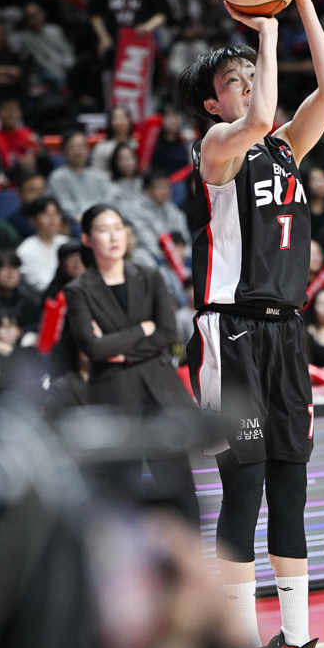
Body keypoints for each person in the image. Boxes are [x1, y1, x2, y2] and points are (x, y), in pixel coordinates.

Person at [178, 0, 324, 648]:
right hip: (232, 335)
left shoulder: (284, 150)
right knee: (242, 494)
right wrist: (266, 28)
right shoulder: (217, 149)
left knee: (291, 494)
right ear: (214, 105)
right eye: (231, 82)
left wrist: (300, 1)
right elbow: (266, 113)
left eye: (249, 74)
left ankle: (296, 643)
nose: (244, 85)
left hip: (287, 334)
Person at [63, 204, 198, 524]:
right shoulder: (78, 290)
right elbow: (94, 347)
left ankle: (190, 549)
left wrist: (123, 353)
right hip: (114, 397)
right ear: (87, 238)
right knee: (122, 492)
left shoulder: (149, 275)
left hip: (161, 391)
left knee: (179, 487)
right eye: (103, 229)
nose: (114, 236)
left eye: (118, 228)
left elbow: (167, 332)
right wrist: (141, 329)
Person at [112, 172, 191, 265]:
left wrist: (183, 252)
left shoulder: (173, 209)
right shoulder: (135, 210)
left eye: (167, 187)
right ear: (147, 189)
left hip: (177, 256)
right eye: (160, 187)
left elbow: (184, 237)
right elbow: (148, 243)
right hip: (151, 256)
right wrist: (172, 254)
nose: (165, 191)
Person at [47, 130, 112, 224]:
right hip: (75, 223)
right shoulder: (57, 178)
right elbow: (64, 206)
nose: (78, 151)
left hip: (102, 220)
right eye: (73, 147)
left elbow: (107, 200)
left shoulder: (98, 175)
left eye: (81, 146)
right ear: (64, 150)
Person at [9, 0, 75, 89]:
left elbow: (66, 50)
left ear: (43, 13)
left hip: (64, 66)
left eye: (37, 13)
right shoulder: (24, 38)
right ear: (26, 20)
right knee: (59, 79)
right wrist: (60, 72)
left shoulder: (55, 29)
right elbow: (39, 62)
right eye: (31, 16)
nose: (36, 18)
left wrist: (70, 66)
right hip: (44, 72)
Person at [16, 196, 69, 293]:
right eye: (46, 214)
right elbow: (41, 286)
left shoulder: (67, 243)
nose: (52, 220)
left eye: (55, 214)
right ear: (32, 220)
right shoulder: (25, 251)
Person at [0, 98, 50, 182]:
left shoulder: (29, 134)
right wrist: (20, 166)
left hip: (34, 181)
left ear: (20, 112)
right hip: (9, 185)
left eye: (14, 109)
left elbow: (48, 168)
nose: (10, 113)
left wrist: (41, 152)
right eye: (6, 109)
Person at [90, 105, 136, 173]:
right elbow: (96, 172)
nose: (120, 122)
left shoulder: (136, 144)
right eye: (116, 118)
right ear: (110, 122)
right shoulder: (101, 147)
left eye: (123, 117)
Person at [6, 172, 46, 240]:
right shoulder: (12, 224)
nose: (39, 195)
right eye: (33, 190)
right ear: (20, 193)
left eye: (42, 190)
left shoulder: (57, 218)